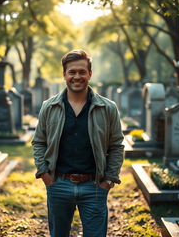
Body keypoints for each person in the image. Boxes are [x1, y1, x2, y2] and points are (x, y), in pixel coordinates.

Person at [32, 49, 124, 237]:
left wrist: (108, 180)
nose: (77, 76)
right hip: (58, 184)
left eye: (82, 71)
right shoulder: (48, 107)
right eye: (72, 72)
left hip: (94, 186)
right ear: (64, 74)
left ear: (90, 74)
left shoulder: (108, 108)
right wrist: (45, 175)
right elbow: (39, 142)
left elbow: (116, 146)